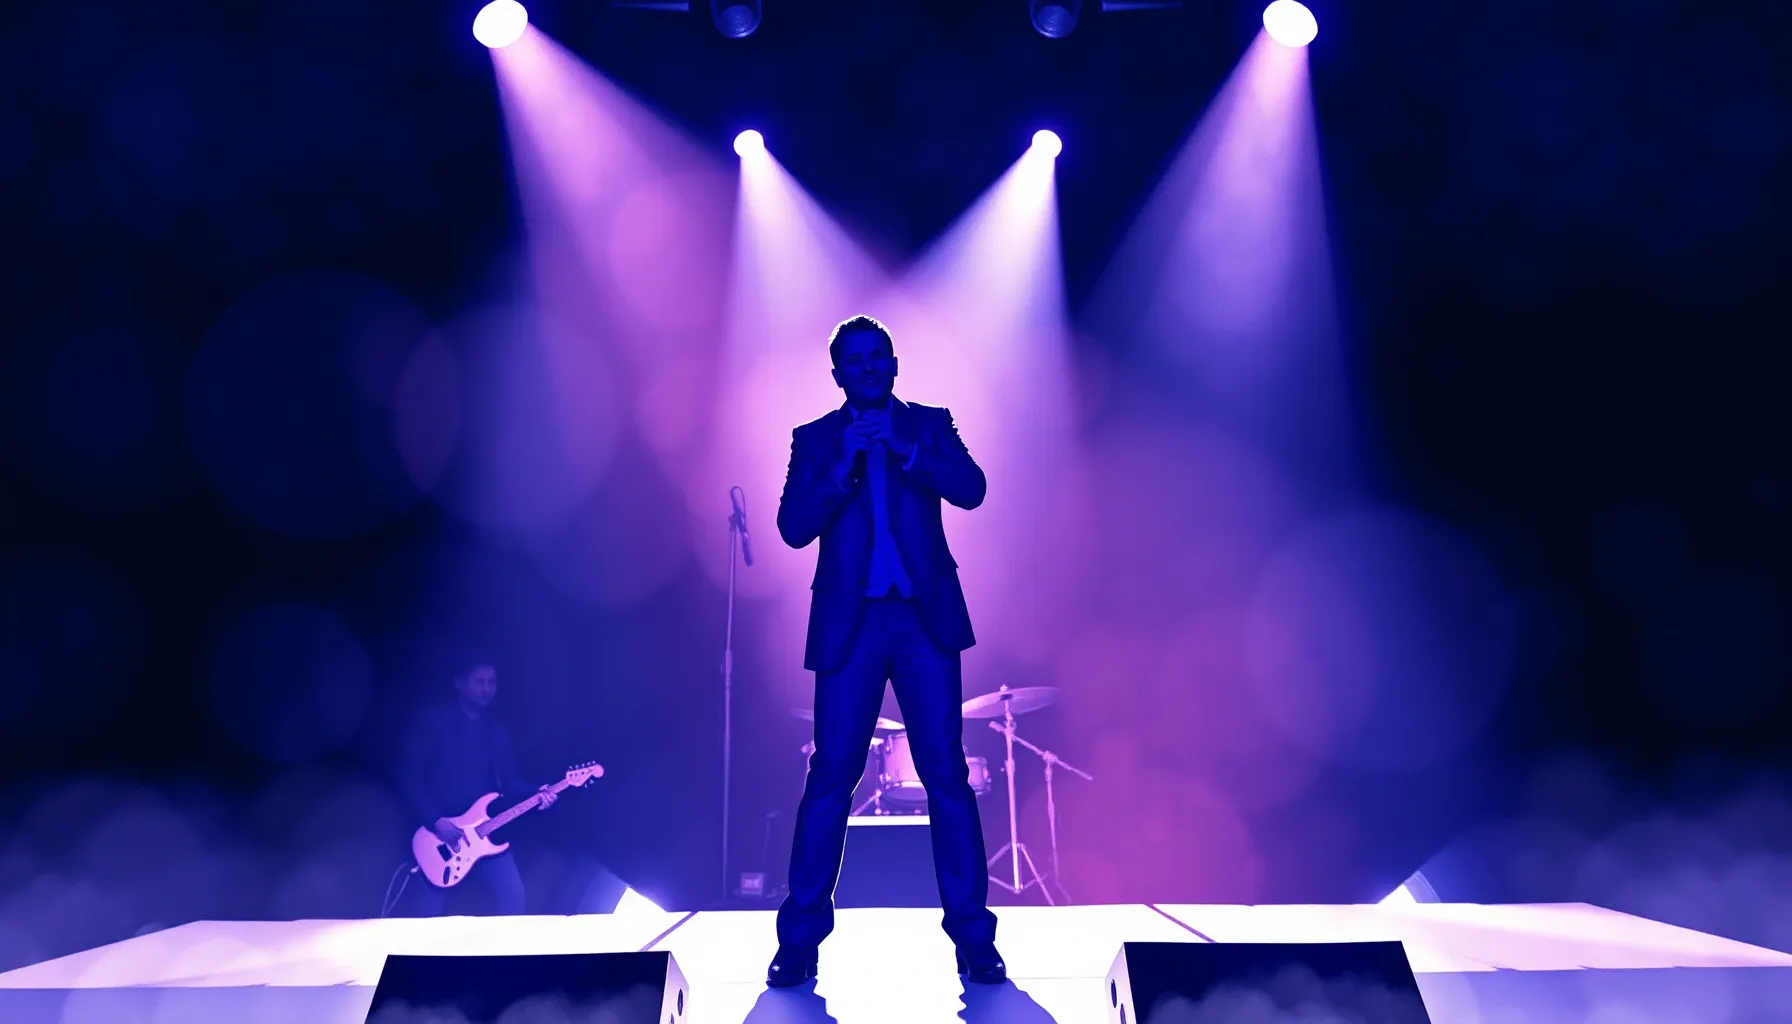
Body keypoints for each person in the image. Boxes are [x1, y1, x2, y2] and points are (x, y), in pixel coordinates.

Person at [768, 315, 1004, 986]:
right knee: (830, 776)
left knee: (947, 776)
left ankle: (974, 939)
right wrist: (842, 465)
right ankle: (799, 941)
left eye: (879, 357)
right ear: (837, 374)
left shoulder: (929, 423)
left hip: (924, 623)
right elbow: (791, 527)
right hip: (852, 627)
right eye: (855, 360)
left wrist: (908, 450)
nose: (869, 368)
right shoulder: (815, 438)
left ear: (895, 365)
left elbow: (972, 488)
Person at [400, 656, 557, 916]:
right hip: (438, 835)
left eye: (491, 682)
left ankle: (510, 944)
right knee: (427, 912)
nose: (487, 689)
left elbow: (508, 780)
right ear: (460, 683)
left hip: (483, 831)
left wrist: (537, 793)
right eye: (479, 681)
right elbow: (409, 778)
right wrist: (435, 821)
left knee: (514, 891)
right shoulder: (432, 723)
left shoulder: (498, 732)